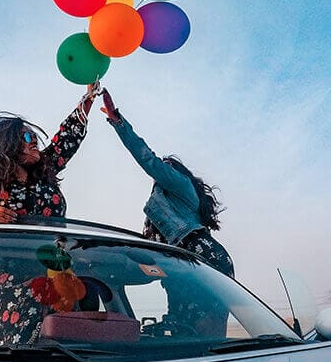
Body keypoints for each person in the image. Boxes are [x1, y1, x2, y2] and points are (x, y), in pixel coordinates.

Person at [99, 89, 235, 278]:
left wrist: (118, 122)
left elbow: (148, 159)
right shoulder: (161, 205)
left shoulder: (182, 185)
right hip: (182, 262)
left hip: (199, 256)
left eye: (168, 167)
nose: (162, 171)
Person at [0, 87, 95, 229]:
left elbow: (68, 136)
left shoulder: (45, 168)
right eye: (28, 137)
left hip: (53, 256)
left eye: (33, 136)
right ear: (8, 144)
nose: (34, 140)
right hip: (11, 256)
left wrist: (89, 97)